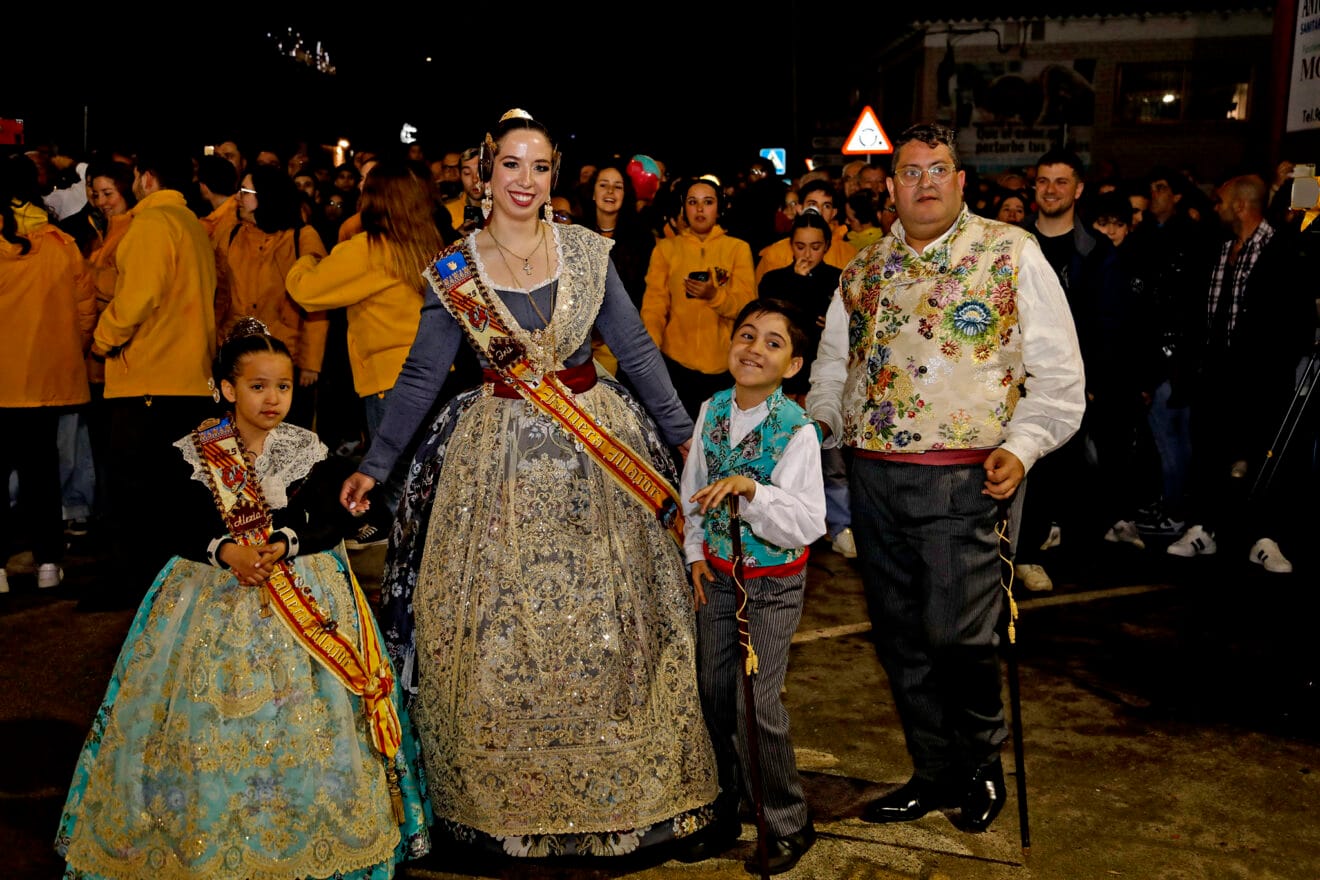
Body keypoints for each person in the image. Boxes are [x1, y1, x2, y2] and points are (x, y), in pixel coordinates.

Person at [337, 108, 719, 858]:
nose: (524, 180)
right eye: (510, 164)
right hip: (495, 464)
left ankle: (629, 792)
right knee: (494, 630)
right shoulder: (456, 269)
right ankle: (498, 802)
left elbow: (636, 352)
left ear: (553, 176)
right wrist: (373, 463)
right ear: (485, 173)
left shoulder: (585, 252)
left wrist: (685, 436)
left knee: (614, 628)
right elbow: (419, 376)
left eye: (539, 167)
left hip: (598, 452)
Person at [55, 320, 430, 879]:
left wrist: (284, 542)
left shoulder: (305, 450)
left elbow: (330, 519)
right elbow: (168, 521)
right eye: (258, 386)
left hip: (301, 585)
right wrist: (224, 551)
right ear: (228, 389)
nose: (273, 398)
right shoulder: (195, 454)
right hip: (210, 590)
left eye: (282, 386)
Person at [807, 123, 1085, 833]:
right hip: (872, 479)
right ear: (888, 187)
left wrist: (1022, 447)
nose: (924, 182)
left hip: (966, 479)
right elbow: (835, 370)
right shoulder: (862, 271)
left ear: (961, 182)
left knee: (957, 634)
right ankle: (933, 771)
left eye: (938, 170)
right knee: (899, 635)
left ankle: (981, 762)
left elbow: (1060, 382)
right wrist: (821, 424)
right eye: (909, 171)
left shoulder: (1010, 253)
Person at [677, 298, 826, 875]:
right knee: (714, 694)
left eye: (772, 342)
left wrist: (755, 492)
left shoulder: (797, 431)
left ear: (792, 365)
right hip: (717, 576)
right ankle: (727, 806)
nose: (754, 349)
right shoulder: (711, 408)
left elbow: (808, 522)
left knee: (755, 705)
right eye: (746, 335)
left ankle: (787, 820)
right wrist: (695, 553)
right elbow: (694, 489)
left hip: (770, 586)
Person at [286, 160, 451, 548]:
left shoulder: (368, 249)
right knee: (423, 485)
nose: (358, 188)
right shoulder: (433, 244)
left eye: (364, 183)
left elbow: (307, 291)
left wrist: (307, 256)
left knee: (397, 488)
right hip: (437, 378)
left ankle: (405, 583)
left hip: (390, 381)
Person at [90, 147, 218, 600]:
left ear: (145, 178)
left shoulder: (151, 223)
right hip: (188, 377)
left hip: (149, 376)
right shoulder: (192, 226)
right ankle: (167, 587)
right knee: (173, 494)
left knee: (135, 493)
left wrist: (103, 338)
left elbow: (138, 297)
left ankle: (134, 585)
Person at [0, 175, 96, 594]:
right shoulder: (62, 244)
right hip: (44, 381)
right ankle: (49, 564)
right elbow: (85, 309)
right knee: (43, 472)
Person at [756, 211, 853, 557]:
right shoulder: (774, 280)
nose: (806, 254)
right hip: (782, 381)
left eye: (814, 247)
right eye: (799, 246)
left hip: (822, 380)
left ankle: (840, 525)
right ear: (789, 245)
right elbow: (776, 322)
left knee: (831, 459)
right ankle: (780, 528)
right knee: (779, 458)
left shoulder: (840, 280)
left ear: (827, 246)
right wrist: (798, 284)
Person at [215, 165, 329, 428]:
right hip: (239, 357)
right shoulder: (231, 234)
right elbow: (220, 297)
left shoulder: (302, 237)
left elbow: (317, 305)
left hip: (285, 359)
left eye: (245, 191)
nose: (238, 198)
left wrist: (311, 362)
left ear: (266, 195)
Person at [641, 175, 757, 417]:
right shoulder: (666, 249)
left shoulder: (737, 248)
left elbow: (747, 306)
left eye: (708, 202)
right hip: (675, 364)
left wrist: (714, 295)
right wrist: (651, 356)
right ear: (684, 208)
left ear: (719, 208)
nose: (700, 209)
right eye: (693, 202)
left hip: (724, 366)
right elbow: (654, 308)